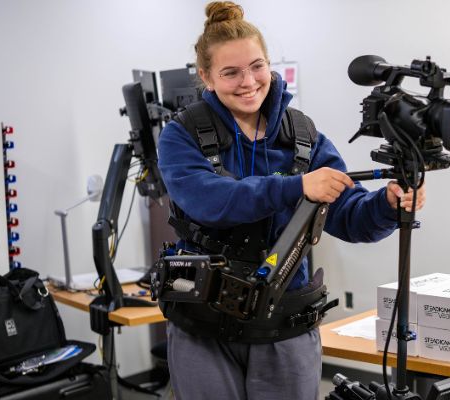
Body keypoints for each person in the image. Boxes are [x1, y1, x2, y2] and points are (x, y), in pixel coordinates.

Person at [157, 2, 425, 399]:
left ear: (269, 65)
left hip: (284, 322)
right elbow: (208, 201)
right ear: (207, 77)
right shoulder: (181, 135)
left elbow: (347, 215)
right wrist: (296, 186)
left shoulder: (302, 135)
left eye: (257, 66)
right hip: (203, 327)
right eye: (230, 72)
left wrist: (387, 205)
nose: (248, 81)